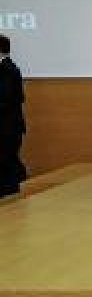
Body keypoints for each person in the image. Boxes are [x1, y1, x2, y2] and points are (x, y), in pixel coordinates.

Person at [0, 34, 27, 198]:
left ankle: (10, 193)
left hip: (8, 125)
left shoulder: (7, 69)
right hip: (7, 125)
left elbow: (7, 98)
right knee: (8, 159)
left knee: (6, 159)